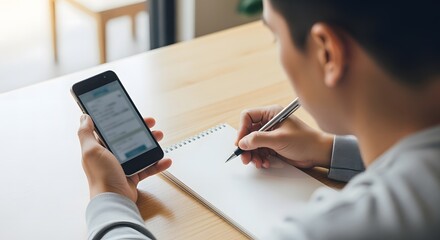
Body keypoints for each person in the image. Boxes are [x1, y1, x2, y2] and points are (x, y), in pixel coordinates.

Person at [77, 0, 440, 239]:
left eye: (274, 37)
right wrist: (326, 149)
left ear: (327, 52)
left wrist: (109, 199)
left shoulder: (347, 226)